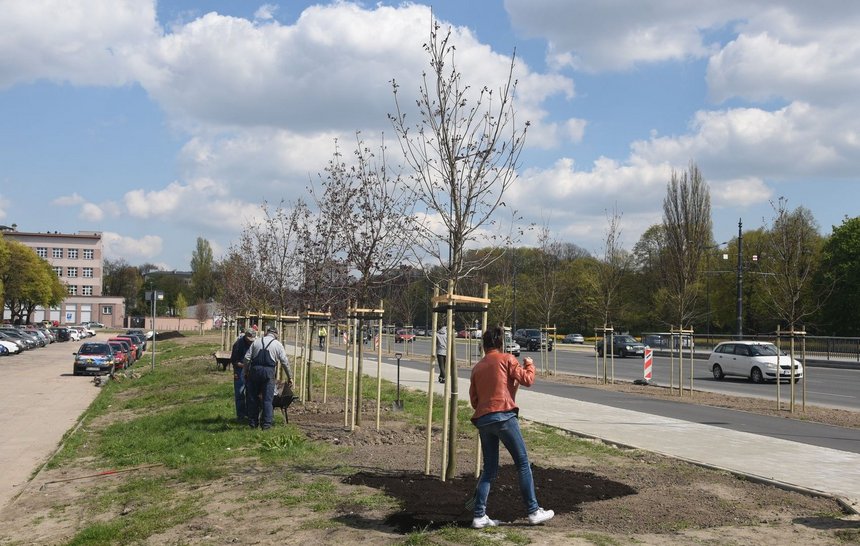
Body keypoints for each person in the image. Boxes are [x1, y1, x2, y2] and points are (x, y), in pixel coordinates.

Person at [468, 325, 554, 529]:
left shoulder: (477, 367)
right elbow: (528, 380)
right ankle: (533, 511)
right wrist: (530, 365)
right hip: (504, 416)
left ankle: (479, 515)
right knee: (523, 464)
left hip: (483, 419)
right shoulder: (507, 359)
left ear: (483, 344)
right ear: (500, 343)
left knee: (489, 469)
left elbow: (474, 400)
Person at [243, 326, 293, 430]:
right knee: (267, 400)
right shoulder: (278, 344)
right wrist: (290, 377)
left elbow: (247, 358)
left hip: (255, 371)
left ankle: (253, 424)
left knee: (253, 398)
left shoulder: (256, 342)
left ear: (266, 333)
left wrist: (246, 371)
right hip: (269, 373)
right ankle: (266, 425)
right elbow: (284, 362)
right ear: (276, 334)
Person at [229, 328, 256, 421]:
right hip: (239, 370)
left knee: (250, 393)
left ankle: (249, 413)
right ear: (245, 336)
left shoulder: (254, 343)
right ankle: (241, 415)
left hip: (251, 370)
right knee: (240, 393)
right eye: (249, 340)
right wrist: (243, 365)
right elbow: (234, 360)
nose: (250, 342)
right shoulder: (238, 344)